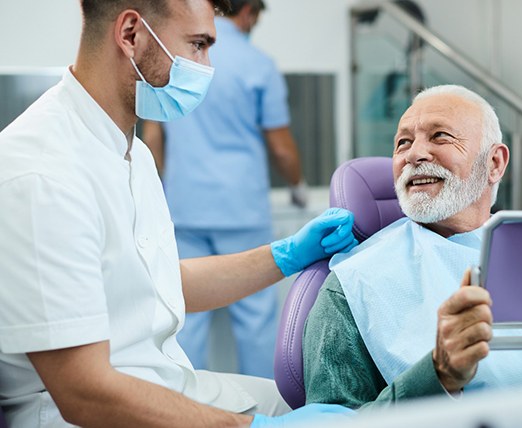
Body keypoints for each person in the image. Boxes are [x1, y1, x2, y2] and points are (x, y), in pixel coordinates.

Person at [0, 1, 357, 427]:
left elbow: (161, 284)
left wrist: (287, 255)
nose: (207, 66)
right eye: (198, 46)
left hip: (157, 380)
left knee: (317, 402)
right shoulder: (43, 173)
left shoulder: (131, 153)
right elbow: (83, 392)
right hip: (82, 413)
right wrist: (248, 427)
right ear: (131, 34)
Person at [303, 84, 522, 409]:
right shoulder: (353, 286)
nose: (415, 154)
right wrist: (437, 375)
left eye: (440, 136)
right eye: (403, 142)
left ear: (494, 163)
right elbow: (330, 421)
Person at [143, 0, 306, 378]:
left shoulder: (179, 59)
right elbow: (281, 146)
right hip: (240, 209)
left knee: (183, 314)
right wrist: (297, 186)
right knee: (256, 321)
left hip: (184, 207)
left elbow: (153, 136)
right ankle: (264, 410)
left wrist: (170, 186)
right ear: (248, 10)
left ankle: (185, 409)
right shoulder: (258, 63)